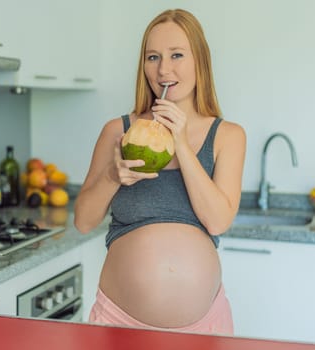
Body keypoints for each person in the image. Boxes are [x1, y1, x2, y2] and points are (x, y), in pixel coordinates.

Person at [74, 8, 246, 335]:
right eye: (152, 57)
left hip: (204, 329)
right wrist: (113, 176)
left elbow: (218, 221)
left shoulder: (228, 136)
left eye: (177, 55)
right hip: (118, 324)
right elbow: (82, 221)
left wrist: (180, 142)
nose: (163, 69)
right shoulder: (118, 131)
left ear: (200, 61)